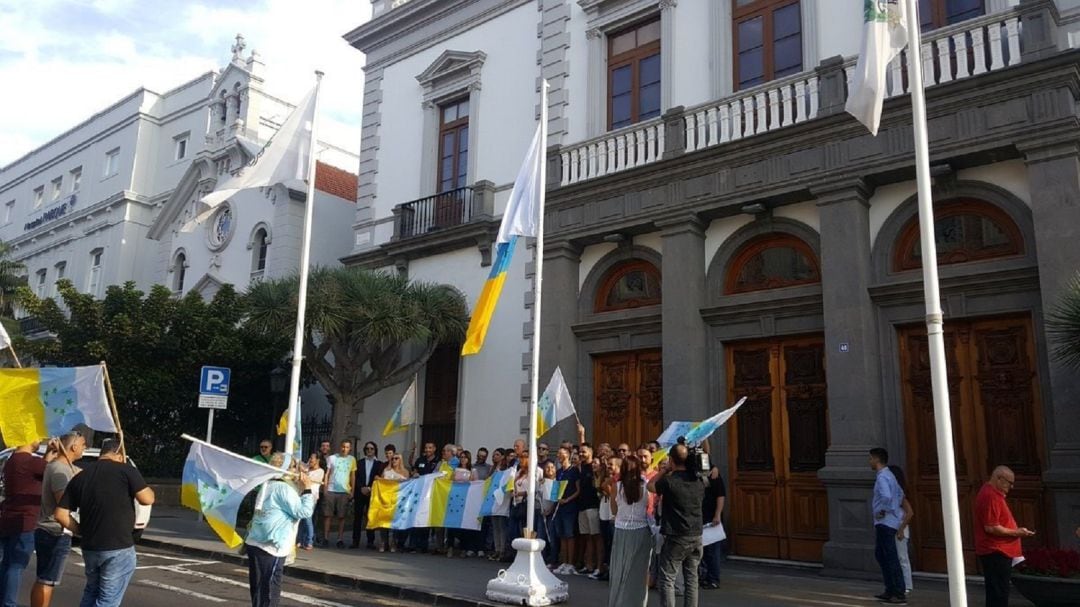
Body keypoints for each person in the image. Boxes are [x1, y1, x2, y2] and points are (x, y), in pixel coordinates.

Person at [55, 438, 155, 607]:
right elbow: (147, 499)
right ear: (119, 454)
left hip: (90, 546)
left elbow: (60, 514)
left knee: (91, 591)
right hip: (118, 545)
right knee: (108, 599)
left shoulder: (81, 476)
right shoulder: (126, 470)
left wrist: (80, 530)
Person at [245, 452, 316, 607]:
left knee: (258, 590)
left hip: (256, 541)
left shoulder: (268, 484)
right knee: (270, 591)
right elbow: (303, 512)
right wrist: (308, 489)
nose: (299, 471)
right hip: (271, 545)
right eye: (296, 467)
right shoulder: (283, 489)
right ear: (288, 470)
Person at [648, 443, 705, 607]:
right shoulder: (698, 480)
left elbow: (650, 485)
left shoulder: (669, 481)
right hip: (696, 534)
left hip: (677, 536)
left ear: (671, 460)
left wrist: (664, 470)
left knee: (667, 578)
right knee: (692, 579)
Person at [0, 440, 55, 607]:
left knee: (7, 564)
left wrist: (46, 457)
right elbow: (50, 470)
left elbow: (38, 472)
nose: (40, 442)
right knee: (17, 565)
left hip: (9, 518)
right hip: (26, 520)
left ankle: (4, 600)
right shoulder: (31, 462)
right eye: (37, 438)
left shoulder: (11, 460)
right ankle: (9, 603)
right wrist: (54, 454)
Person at [33, 432, 85, 607]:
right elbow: (63, 502)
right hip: (55, 531)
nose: (85, 447)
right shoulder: (60, 470)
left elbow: (81, 474)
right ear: (74, 447)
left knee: (45, 578)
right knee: (47, 580)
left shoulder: (62, 467)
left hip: (50, 530)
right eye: (83, 444)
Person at [975, 465, 1034, 607]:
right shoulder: (990, 496)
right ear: (999, 479)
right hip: (995, 550)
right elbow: (991, 527)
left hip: (999, 550)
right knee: (998, 592)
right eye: (1009, 482)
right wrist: (1017, 532)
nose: (1011, 487)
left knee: (999, 590)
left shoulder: (993, 494)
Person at [608, 455, 652, 607]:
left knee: (619, 570)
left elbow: (613, 510)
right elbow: (647, 506)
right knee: (639, 571)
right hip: (641, 530)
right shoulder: (645, 485)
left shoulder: (617, 486)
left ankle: (618, 602)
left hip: (622, 530)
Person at [869, 448, 906, 604]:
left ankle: (897, 591)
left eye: (870, 458)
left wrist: (883, 511)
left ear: (877, 460)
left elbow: (887, 496)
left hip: (885, 522)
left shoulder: (883, 477)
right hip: (891, 521)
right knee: (882, 554)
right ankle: (891, 589)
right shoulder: (890, 475)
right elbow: (900, 494)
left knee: (888, 556)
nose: (869, 461)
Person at [551, 446, 581, 575]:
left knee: (569, 534)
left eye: (562, 453)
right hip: (559, 507)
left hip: (569, 506)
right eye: (558, 453)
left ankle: (570, 563)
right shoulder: (558, 472)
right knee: (562, 535)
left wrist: (567, 499)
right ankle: (564, 562)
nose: (559, 455)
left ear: (568, 455)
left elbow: (578, 490)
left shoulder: (574, 471)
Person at [576, 444, 603, 577]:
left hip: (593, 507)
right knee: (587, 537)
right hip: (582, 507)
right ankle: (589, 565)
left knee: (596, 537)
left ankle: (599, 566)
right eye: (580, 452)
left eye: (584, 452)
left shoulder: (594, 468)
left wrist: (582, 434)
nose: (581, 454)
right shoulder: (583, 467)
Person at [323, 440, 356, 548]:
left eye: (347, 447)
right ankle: (326, 538)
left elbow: (352, 476)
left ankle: (340, 538)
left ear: (349, 448)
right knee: (328, 515)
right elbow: (327, 473)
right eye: (343, 447)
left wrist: (352, 491)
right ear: (340, 447)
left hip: (344, 490)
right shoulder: (332, 458)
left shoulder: (352, 460)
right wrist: (325, 488)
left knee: (342, 516)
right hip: (332, 489)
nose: (344, 449)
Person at [351, 441, 383, 550]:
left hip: (372, 493)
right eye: (368, 448)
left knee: (370, 517)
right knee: (357, 517)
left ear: (375, 450)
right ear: (365, 450)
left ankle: (370, 541)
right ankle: (355, 541)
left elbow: (378, 478)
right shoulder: (359, 462)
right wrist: (361, 487)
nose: (369, 451)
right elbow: (356, 477)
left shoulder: (379, 464)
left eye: (372, 449)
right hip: (360, 492)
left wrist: (369, 488)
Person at [888, 464, 914, 596]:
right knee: (897, 558)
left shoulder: (900, 495)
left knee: (902, 558)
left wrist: (901, 529)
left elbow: (909, 513)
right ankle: (899, 584)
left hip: (900, 530)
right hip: (893, 528)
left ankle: (907, 585)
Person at [699, 464, 726, 590]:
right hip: (697, 518)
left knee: (712, 551)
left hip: (711, 518)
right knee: (702, 552)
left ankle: (713, 578)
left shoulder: (713, 474)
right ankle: (705, 576)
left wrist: (717, 514)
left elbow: (720, 495)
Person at [595, 455, 620, 581]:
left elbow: (611, 493)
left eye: (611, 464)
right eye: (608, 464)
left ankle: (613, 571)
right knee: (606, 543)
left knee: (613, 545)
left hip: (613, 516)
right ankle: (606, 568)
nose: (609, 467)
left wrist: (609, 482)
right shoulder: (607, 477)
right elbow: (600, 485)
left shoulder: (618, 480)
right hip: (604, 513)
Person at [378, 454, 409, 552]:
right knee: (384, 520)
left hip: (398, 499)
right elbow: (381, 482)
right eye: (392, 459)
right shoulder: (386, 471)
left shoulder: (405, 472)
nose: (394, 460)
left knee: (395, 521)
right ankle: (384, 541)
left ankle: (393, 542)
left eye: (396, 458)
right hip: (386, 498)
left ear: (400, 460)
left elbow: (408, 485)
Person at [486, 448, 511, 561]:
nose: (494, 457)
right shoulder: (493, 468)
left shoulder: (507, 470)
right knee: (495, 526)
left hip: (502, 500)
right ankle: (497, 549)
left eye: (497, 455)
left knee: (501, 526)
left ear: (502, 456)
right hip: (493, 499)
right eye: (494, 454)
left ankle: (502, 550)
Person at [297, 453, 324, 551]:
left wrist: (304, 472)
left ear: (317, 460)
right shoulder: (307, 469)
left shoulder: (320, 471)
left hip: (311, 497)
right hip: (302, 495)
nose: (310, 461)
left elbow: (309, 480)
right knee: (301, 519)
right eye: (309, 458)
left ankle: (309, 541)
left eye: (312, 459)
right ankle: (300, 540)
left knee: (308, 519)